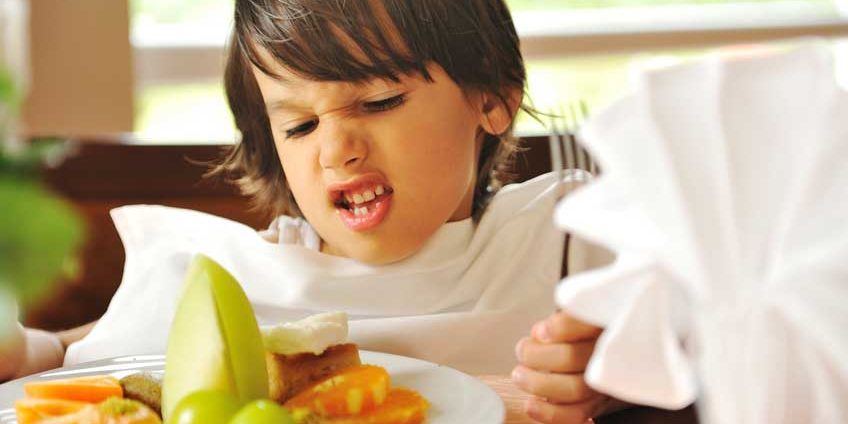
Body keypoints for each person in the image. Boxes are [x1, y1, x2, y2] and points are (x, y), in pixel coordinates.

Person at [2, 0, 616, 421]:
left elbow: (662, 345)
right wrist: (34, 350)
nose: (336, 150)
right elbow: (111, 348)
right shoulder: (252, 269)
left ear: (493, 99)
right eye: (299, 125)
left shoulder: (561, 239)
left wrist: (611, 378)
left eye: (379, 102)